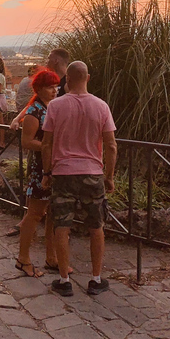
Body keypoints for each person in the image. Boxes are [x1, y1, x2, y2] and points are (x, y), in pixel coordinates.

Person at [42, 61, 117, 297]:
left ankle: (64, 280)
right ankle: (95, 278)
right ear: (88, 77)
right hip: (92, 173)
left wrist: (47, 173)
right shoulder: (101, 106)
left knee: (61, 226)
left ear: (67, 80)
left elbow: (46, 143)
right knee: (96, 227)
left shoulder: (55, 106)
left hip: (63, 173)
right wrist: (109, 176)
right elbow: (111, 145)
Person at [15, 69, 64, 278]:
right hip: (39, 168)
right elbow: (26, 142)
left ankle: (51, 257)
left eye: (56, 87)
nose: (54, 91)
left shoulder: (51, 107)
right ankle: (23, 259)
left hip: (53, 165)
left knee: (52, 214)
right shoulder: (34, 111)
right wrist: (48, 147)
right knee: (35, 213)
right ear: (39, 89)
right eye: (50, 87)